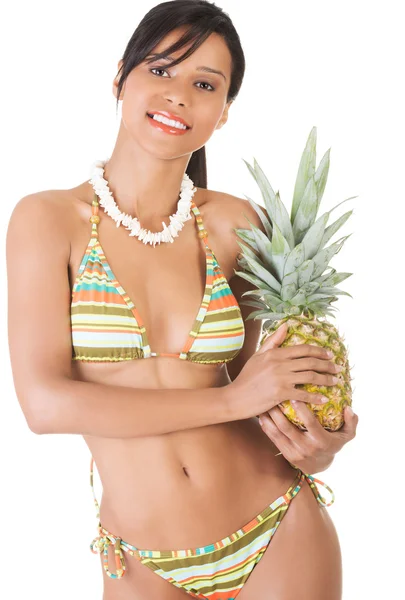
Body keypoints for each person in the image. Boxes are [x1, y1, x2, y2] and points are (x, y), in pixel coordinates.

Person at [6, 1, 357, 598]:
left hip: (276, 528)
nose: (178, 96)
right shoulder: (48, 220)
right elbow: (45, 405)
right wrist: (232, 402)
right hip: (141, 561)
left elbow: (270, 383)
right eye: (160, 70)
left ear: (223, 113)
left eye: (204, 84)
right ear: (121, 76)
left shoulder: (234, 223)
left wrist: (320, 440)